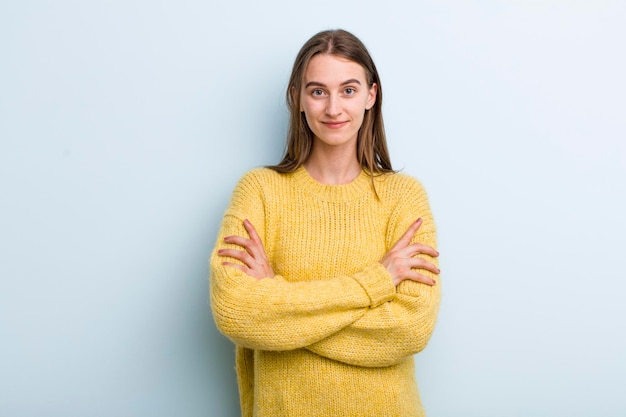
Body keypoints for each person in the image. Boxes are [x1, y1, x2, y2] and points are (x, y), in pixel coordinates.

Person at [210, 29, 441, 417]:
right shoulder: (260, 191)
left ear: (371, 95)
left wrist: (278, 309)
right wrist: (376, 283)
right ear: (297, 98)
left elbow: (409, 328)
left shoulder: (403, 196)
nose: (333, 108)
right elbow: (235, 311)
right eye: (318, 91)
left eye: (348, 90)